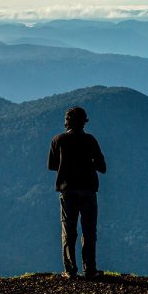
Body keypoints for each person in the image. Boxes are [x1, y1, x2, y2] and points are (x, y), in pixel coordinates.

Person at [48, 106, 107, 279]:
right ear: (84, 122)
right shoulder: (90, 140)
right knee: (89, 230)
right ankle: (90, 269)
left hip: (67, 191)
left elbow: (52, 166)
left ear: (67, 122)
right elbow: (102, 167)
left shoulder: (58, 140)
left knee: (68, 229)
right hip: (88, 190)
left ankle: (70, 270)